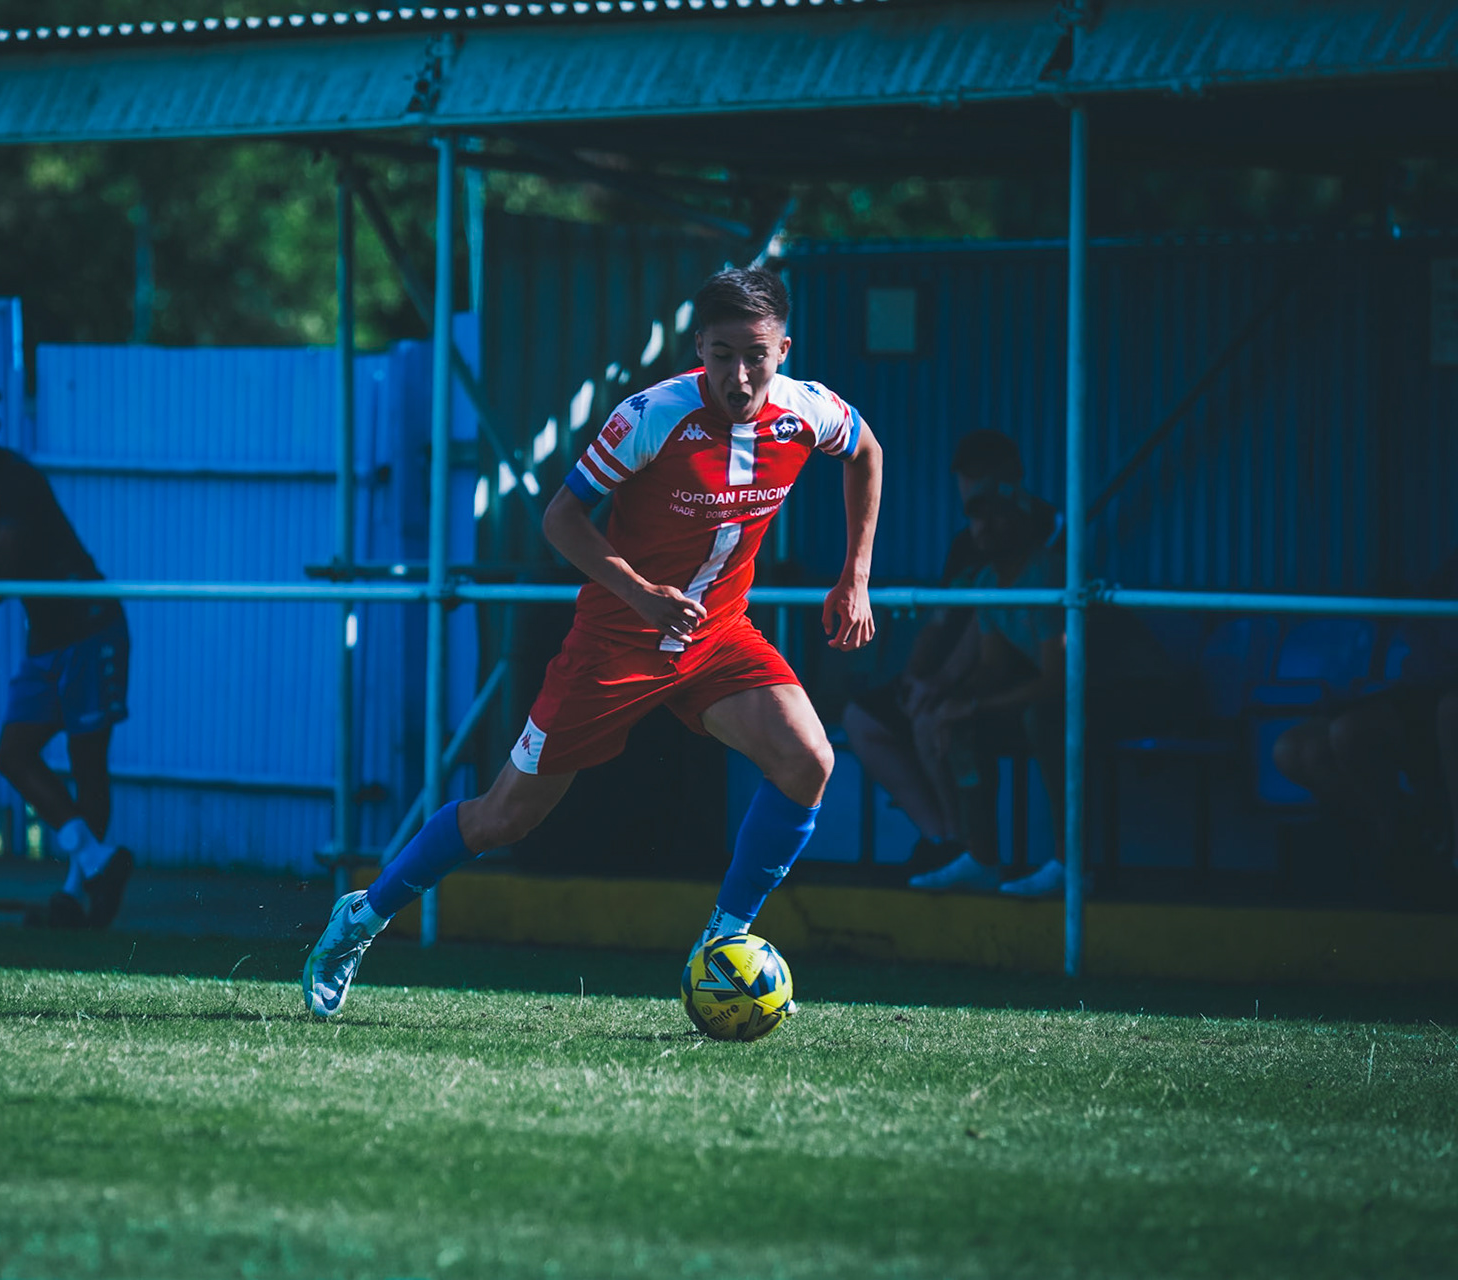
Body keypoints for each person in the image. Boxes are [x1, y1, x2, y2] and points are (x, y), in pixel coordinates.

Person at [303, 267, 883, 1019]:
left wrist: (855, 576)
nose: (740, 376)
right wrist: (641, 595)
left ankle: (723, 944)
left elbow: (866, 450)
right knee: (504, 817)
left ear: (784, 350)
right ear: (698, 348)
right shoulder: (653, 415)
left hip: (719, 635)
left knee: (808, 760)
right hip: (615, 644)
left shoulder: (807, 409)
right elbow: (561, 518)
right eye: (722, 355)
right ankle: (362, 918)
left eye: (757, 356)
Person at [0, 375, 133, 929]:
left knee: (88, 763)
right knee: (12, 754)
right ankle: (97, 864)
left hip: (89, 625)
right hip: (45, 635)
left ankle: (77, 894)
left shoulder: (17, 479)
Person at [906, 479, 1177, 898]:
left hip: (1143, 691)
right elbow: (993, 666)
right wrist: (955, 702)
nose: (986, 526)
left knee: (1046, 716)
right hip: (1085, 693)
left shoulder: (1049, 572)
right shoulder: (989, 580)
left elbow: (1057, 680)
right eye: (977, 516)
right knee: (962, 721)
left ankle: (1072, 866)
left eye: (999, 515)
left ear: (1023, 522)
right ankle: (982, 859)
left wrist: (975, 704)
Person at [841, 431, 1043, 870]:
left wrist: (944, 686)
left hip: (1007, 677)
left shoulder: (1041, 533)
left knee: (938, 719)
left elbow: (988, 630)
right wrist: (918, 677)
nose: (981, 512)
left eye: (984, 478)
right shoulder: (967, 542)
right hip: (952, 676)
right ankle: (943, 839)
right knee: (861, 719)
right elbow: (940, 620)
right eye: (968, 484)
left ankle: (970, 851)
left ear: (1013, 478)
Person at [1273, 552, 1458, 896]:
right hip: (1423, 689)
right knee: (1295, 749)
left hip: (1445, 696)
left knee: (1451, 710)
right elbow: (1419, 629)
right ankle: (1402, 838)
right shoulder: (1450, 568)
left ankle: (1440, 855)